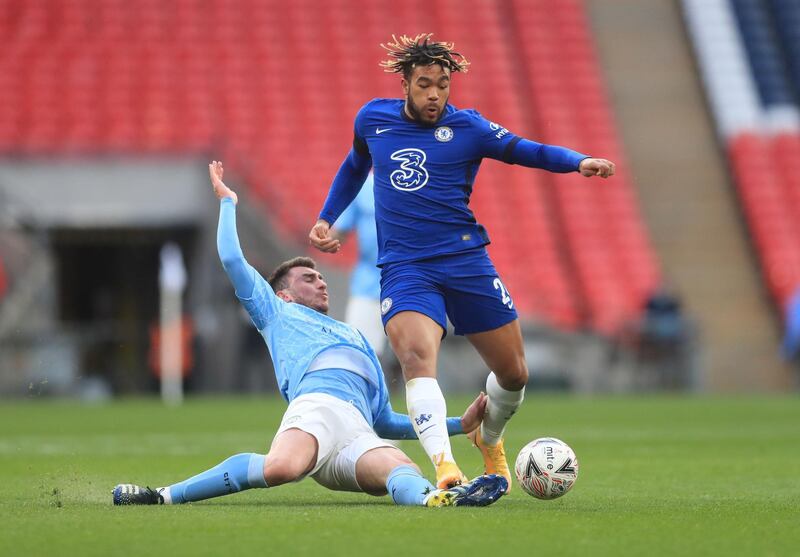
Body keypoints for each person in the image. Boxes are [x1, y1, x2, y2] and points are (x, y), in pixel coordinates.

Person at [308, 34, 615, 491]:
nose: (435, 94)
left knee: (514, 373)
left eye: (443, 85)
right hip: (406, 267)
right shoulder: (373, 119)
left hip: (465, 260)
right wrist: (327, 217)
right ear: (406, 84)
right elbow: (355, 165)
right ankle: (445, 467)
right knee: (415, 356)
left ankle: (488, 439)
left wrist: (578, 162)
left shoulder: (469, 128)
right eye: (425, 84)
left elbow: (524, 149)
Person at [112, 161, 507, 508]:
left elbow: (384, 420)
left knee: (400, 467)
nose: (320, 282)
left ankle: (436, 500)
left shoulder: (356, 339)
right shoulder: (276, 313)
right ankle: (162, 495)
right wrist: (228, 201)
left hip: (356, 430)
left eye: (321, 276)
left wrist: (460, 424)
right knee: (282, 467)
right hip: (315, 410)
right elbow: (232, 258)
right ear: (283, 293)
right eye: (307, 277)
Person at [331, 174, 386, 357]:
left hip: (409, 280)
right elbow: (340, 232)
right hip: (368, 281)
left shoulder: (415, 182)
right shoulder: (362, 186)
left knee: (411, 354)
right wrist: (323, 235)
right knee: (359, 350)